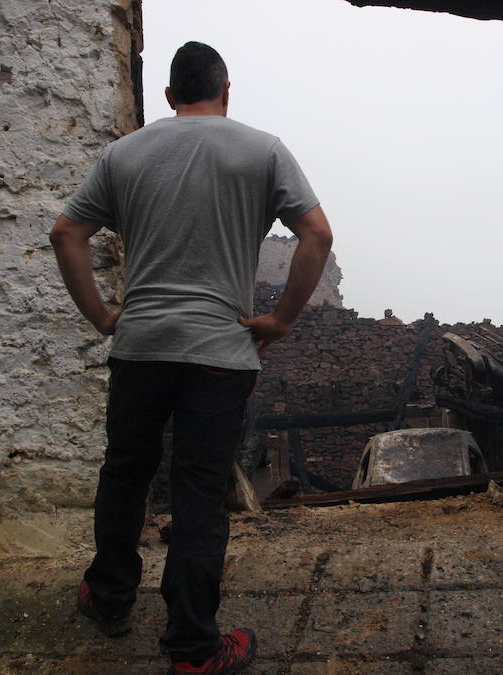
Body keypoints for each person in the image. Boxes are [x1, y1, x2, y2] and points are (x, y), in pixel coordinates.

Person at [50, 41, 332, 674]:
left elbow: (65, 231)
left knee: (125, 471)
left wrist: (102, 316)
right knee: (200, 490)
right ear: (225, 91)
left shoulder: (125, 153)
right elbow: (317, 233)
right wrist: (281, 319)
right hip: (220, 354)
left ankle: (110, 597)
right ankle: (193, 648)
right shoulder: (260, 149)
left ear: (170, 97)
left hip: (141, 347)